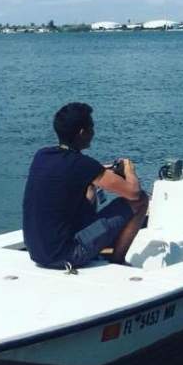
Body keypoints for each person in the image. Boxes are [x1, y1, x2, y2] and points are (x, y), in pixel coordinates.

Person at [23, 102, 148, 269]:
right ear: (82, 133)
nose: (93, 133)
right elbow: (133, 193)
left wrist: (102, 170)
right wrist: (129, 169)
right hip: (69, 254)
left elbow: (74, 172)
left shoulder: (42, 155)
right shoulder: (83, 165)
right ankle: (118, 260)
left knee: (90, 188)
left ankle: (98, 244)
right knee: (141, 201)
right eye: (92, 128)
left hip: (38, 253)